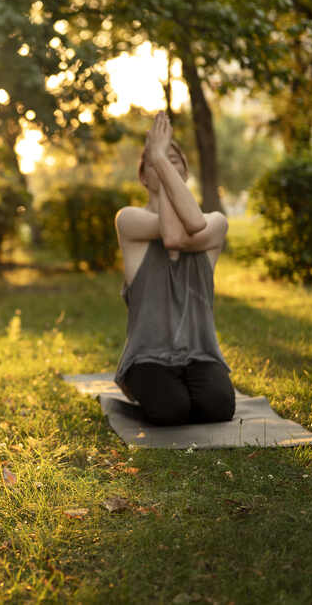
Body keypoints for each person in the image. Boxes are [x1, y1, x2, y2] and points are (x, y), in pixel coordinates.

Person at [113, 112, 235, 426]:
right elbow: (170, 236)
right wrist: (166, 171)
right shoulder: (128, 221)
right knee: (171, 411)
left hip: (200, 353)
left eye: (173, 159)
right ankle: (147, 387)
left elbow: (186, 230)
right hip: (148, 356)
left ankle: (185, 387)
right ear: (142, 175)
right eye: (155, 161)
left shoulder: (216, 222)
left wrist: (158, 158)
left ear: (186, 171)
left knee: (218, 408)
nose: (165, 164)